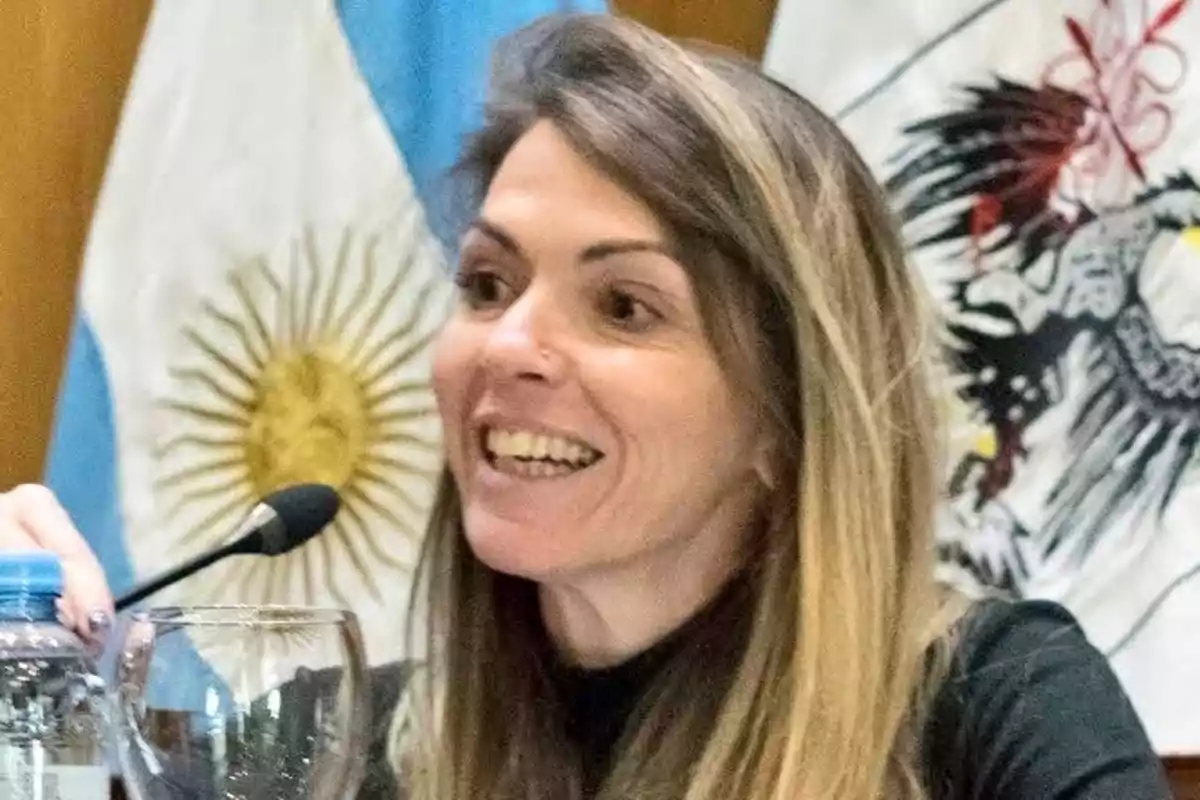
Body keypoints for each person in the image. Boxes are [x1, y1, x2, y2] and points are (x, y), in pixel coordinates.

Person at [0, 13, 1173, 800]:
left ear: (787, 413)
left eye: (623, 305)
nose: (508, 343)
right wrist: (24, 688)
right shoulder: (362, 743)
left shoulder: (991, 708)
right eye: (489, 282)